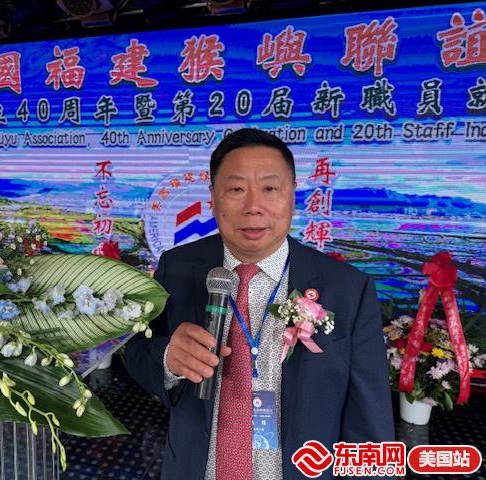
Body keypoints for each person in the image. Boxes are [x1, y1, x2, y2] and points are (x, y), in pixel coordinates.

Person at [125, 128, 394, 480]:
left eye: (269, 189)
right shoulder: (177, 268)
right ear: (213, 197)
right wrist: (167, 359)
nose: (253, 207)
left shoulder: (348, 289)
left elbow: (370, 424)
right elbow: (137, 354)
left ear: (292, 194)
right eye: (236, 189)